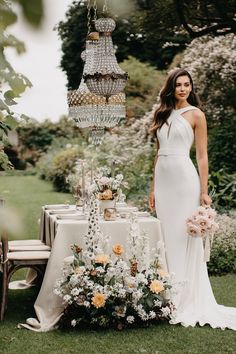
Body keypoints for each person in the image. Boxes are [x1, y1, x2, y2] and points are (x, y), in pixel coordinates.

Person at [149, 68, 236, 330]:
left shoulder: (197, 114)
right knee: (165, 235)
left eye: (187, 84)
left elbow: (201, 156)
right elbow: (157, 154)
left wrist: (203, 190)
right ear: (171, 87)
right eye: (178, 84)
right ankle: (166, 293)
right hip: (164, 182)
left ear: (191, 88)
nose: (183, 89)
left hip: (185, 181)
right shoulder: (161, 113)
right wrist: (153, 188)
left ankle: (183, 297)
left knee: (182, 235)